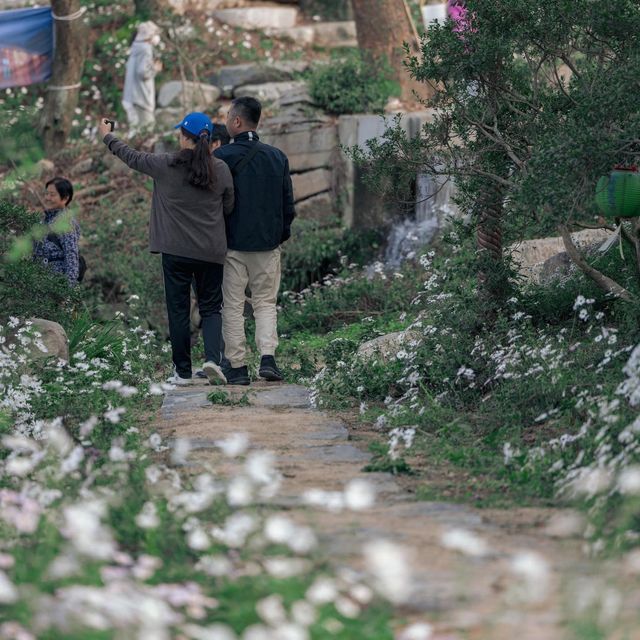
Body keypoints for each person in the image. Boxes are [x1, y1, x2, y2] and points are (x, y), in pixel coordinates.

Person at [98, 112, 234, 386]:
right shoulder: (220, 169)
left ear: (184, 137)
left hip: (176, 253)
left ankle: (182, 372)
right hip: (211, 251)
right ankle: (212, 360)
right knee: (211, 307)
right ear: (208, 140)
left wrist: (107, 137)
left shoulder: (165, 164)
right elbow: (229, 207)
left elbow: (131, 156)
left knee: (178, 309)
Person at [214, 97, 296, 386]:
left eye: (227, 116)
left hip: (233, 245)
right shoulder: (277, 157)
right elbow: (288, 204)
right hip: (267, 244)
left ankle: (237, 367)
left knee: (233, 305)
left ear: (236, 122)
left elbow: (215, 204)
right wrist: (279, 236)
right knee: (265, 303)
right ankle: (268, 359)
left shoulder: (222, 157)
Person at [33, 177, 81, 286]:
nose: (47, 198)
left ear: (65, 198)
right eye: (47, 194)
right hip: (40, 284)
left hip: (56, 285)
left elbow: (71, 256)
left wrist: (68, 291)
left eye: (52, 194)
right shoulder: (46, 219)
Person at [122, 21, 162, 134]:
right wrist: (155, 68)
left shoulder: (136, 47)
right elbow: (143, 73)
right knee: (147, 129)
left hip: (131, 95)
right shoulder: (145, 49)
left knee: (134, 129)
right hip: (141, 96)